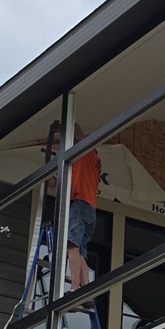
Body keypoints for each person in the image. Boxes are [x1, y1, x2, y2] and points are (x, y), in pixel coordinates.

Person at [64, 125, 101, 291]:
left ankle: (74, 288)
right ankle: (86, 290)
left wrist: (67, 122)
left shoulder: (87, 151)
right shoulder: (90, 161)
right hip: (90, 209)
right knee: (80, 252)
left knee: (72, 245)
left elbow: (79, 132)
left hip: (80, 204)